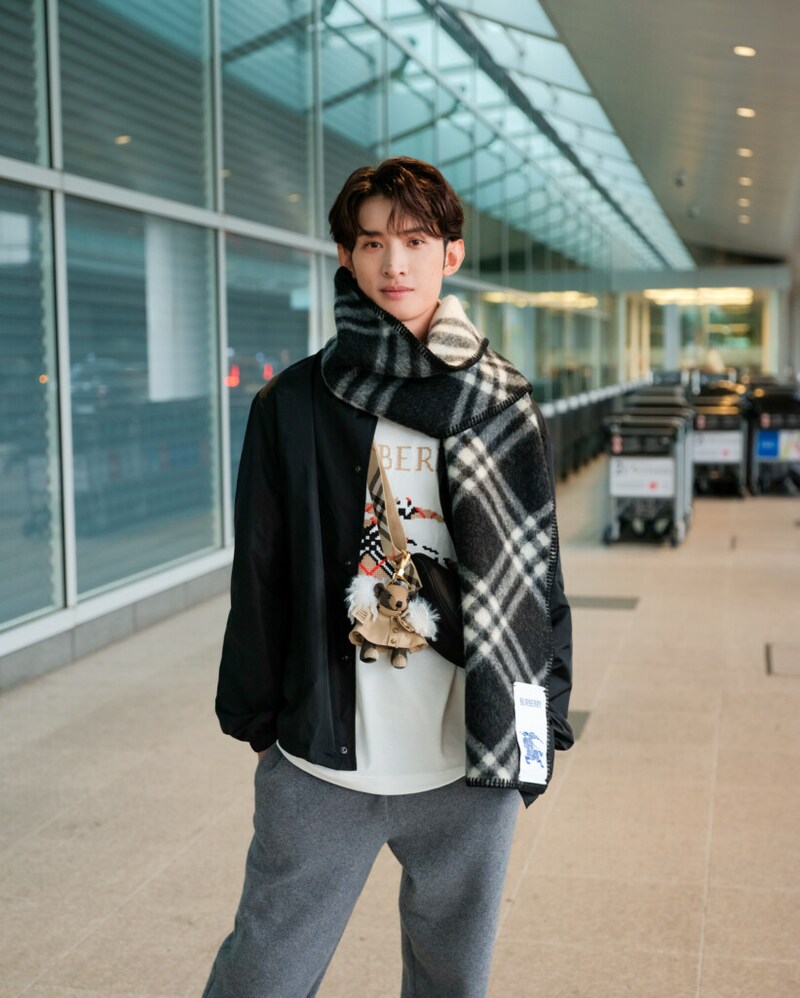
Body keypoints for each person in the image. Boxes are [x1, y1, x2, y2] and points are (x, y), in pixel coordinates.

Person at [203, 157, 574, 998]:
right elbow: (260, 572)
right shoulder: (291, 403)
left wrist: (544, 717)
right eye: (371, 243)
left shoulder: (501, 402)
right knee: (262, 976)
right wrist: (259, 720)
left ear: (451, 253)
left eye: (414, 240)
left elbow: (540, 573)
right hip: (324, 758)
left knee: (451, 982)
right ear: (345, 256)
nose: (393, 263)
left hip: (469, 759)